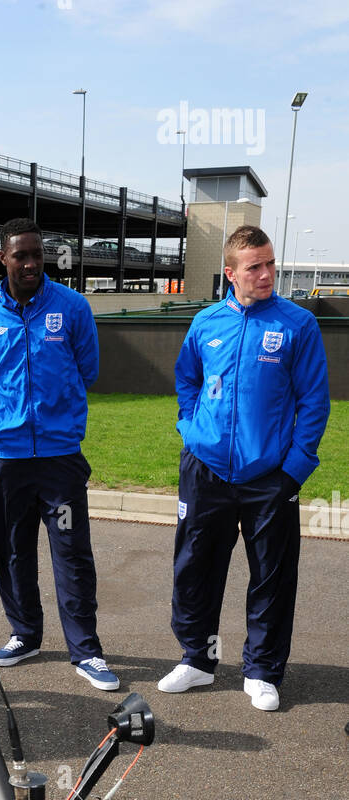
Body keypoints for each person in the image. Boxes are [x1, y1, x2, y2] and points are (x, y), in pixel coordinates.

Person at [159, 225, 330, 711]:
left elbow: (314, 403)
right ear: (230, 273)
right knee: (195, 568)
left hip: (268, 477)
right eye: (254, 267)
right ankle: (198, 659)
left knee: (272, 576)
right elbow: (187, 380)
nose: (266, 274)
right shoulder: (206, 323)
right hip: (205, 469)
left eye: (270, 263)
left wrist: (293, 470)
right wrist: (191, 431)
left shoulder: (298, 324)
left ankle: (261, 670)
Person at [0, 219, 118, 689]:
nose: (32, 263)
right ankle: (25, 634)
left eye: (37, 254)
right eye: (22, 256)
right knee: (13, 552)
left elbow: (89, 370)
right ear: (3, 259)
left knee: (71, 553)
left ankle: (86, 651)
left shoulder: (72, 308)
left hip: (59, 458)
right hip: (9, 457)